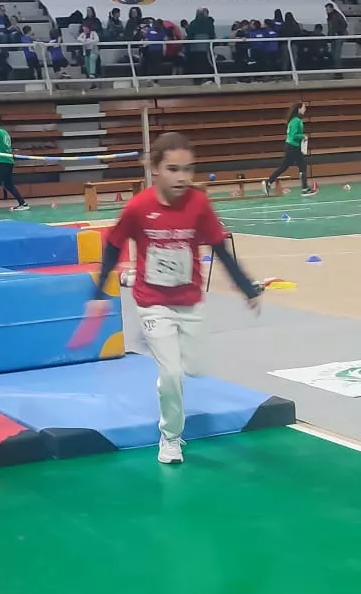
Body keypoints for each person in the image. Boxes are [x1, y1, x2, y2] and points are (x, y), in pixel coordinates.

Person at [93, 133, 264, 465]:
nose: (182, 177)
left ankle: (165, 346)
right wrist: (99, 290)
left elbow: (219, 248)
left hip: (189, 301)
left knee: (196, 369)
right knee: (171, 374)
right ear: (155, 169)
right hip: (152, 300)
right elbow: (113, 245)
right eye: (173, 169)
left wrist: (246, 288)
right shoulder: (139, 207)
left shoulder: (198, 204)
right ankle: (170, 438)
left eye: (188, 169)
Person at [261, 100, 317, 197]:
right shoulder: (296, 120)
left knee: (284, 166)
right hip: (293, 146)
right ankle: (304, 189)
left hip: (291, 146)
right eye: (304, 107)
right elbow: (293, 135)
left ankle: (268, 182)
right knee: (302, 166)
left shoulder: (295, 120)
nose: (305, 109)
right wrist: (302, 136)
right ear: (299, 109)